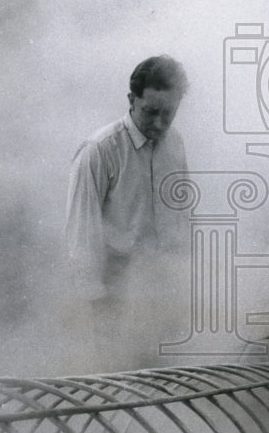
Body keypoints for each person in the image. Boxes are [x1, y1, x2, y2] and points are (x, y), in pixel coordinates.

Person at [64, 55, 190, 370]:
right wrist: (98, 306)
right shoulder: (100, 150)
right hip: (114, 289)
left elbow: (183, 212)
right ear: (132, 100)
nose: (160, 124)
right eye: (151, 112)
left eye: (169, 113)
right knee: (118, 376)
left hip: (162, 284)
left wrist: (188, 276)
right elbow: (83, 232)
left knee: (165, 375)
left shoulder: (175, 144)